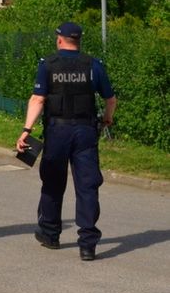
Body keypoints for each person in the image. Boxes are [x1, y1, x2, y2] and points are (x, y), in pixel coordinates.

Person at [16, 22, 116, 262]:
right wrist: (107, 119)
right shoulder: (93, 65)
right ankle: (88, 245)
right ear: (78, 41)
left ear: (59, 39)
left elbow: (38, 99)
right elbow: (110, 99)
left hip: (57, 131)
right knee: (87, 186)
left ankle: (50, 234)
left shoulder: (47, 65)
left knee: (52, 181)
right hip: (85, 132)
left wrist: (26, 131)